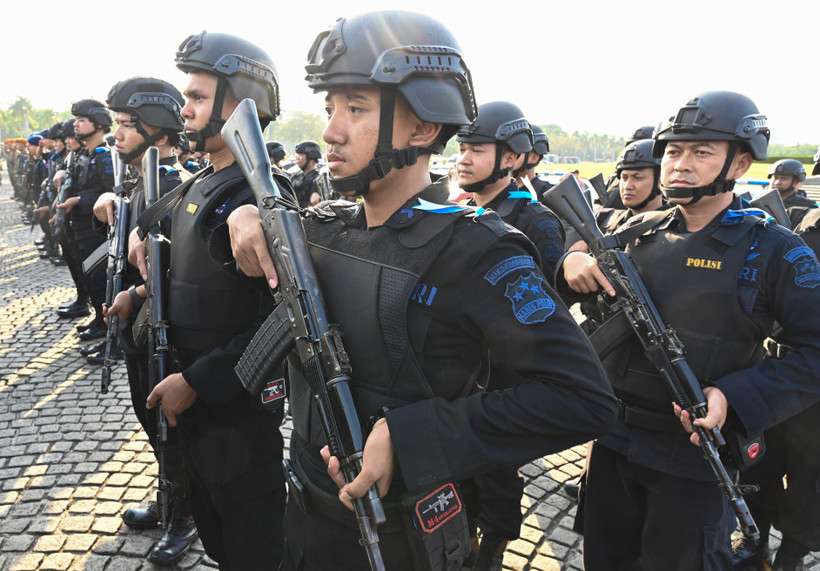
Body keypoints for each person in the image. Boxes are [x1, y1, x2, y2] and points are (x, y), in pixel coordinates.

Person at [226, 10, 617, 570]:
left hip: (398, 532)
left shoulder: (479, 249)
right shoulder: (324, 226)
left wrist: (413, 437)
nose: (331, 131)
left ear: (423, 129)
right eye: (330, 108)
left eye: (355, 108)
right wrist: (242, 215)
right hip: (305, 510)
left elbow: (583, 400)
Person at [556, 90, 820, 570]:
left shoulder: (776, 252)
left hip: (694, 457)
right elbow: (576, 258)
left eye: (701, 152)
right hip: (612, 441)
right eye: (673, 151)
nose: (679, 164)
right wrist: (571, 261)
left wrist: (734, 398)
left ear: (739, 164)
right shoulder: (637, 232)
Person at [128, 31, 288, 569]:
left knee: (252, 548)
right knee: (219, 541)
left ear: (240, 105)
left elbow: (284, 320)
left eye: (197, 97)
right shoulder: (203, 181)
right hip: (190, 405)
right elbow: (185, 273)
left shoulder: (262, 193)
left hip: (233, 411)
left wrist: (199, 381)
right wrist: (138, 292)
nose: (185, 108)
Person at [90, 76, 198, 566]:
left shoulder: (176, 190)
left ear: (159, 130)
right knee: (149, 420)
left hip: (166, 333)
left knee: (169, 427)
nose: (117, 134)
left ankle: (185, 517)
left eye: (126, 125)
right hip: (137, 329)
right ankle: (166, 502)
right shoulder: (138, 184)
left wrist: (134, 292)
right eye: (115, 125)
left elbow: (183, 273)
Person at [731, 205, 820, 571]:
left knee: (810, 478)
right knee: (757, 462)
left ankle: (793, 554)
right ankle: (756, 539)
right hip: (777, 368)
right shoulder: (808, 224)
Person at [456, 101, 565, 284]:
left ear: (508, 159)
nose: (463, 160)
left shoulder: (536, 223)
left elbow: (549, 302)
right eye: (462, 150)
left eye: (476, 150)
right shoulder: (459, 216)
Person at [59, 99, 115, 344]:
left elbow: (111, 192)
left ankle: (107, 327)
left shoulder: (104, 156)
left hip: (97, 232)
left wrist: (80, 200)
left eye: (82, 121)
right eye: (76, 120)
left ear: (100, 124)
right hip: (82, 229)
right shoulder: (86, 155)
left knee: (101, 279)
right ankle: (98, 319)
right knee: (90, 278)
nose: (76, 125)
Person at [292, 140, 322, 206]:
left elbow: (314, 203)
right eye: (298, 155)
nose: (297, 158)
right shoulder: (295, 176)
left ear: (311, 157)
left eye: (301, 155)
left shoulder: (318, 179)